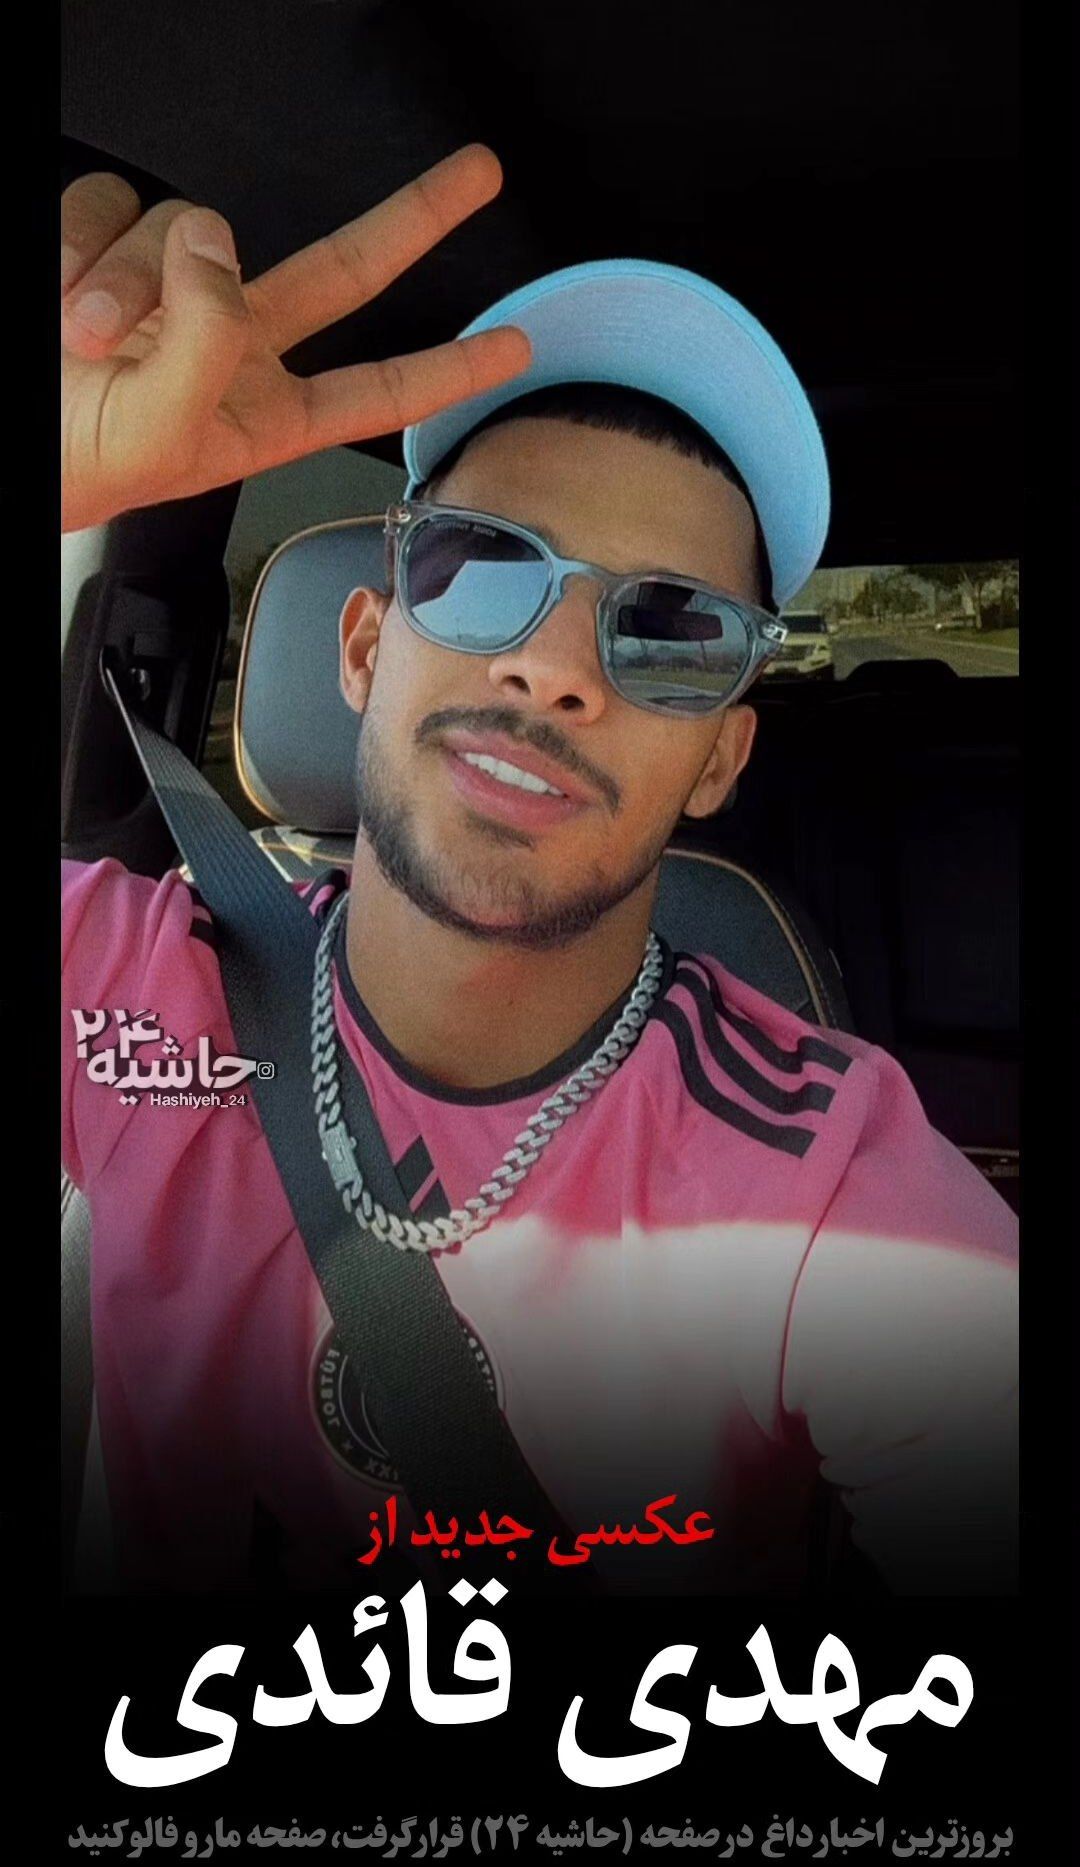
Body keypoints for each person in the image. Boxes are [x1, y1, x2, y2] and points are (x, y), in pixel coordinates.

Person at [61, 146, 1018, 1597]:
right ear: (366, 646)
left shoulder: (821, 1182)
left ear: (721, 759)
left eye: (672, 630)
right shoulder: (129, 991)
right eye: (482, 563)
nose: (555, 668)